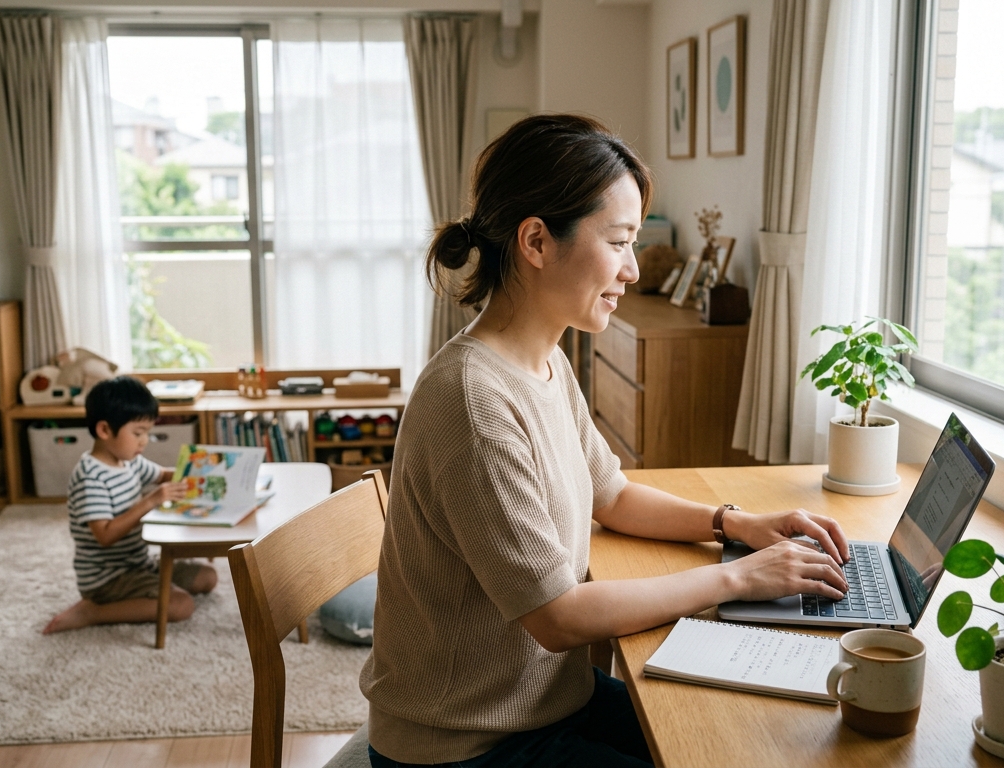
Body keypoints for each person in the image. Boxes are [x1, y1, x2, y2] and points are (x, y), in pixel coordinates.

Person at [360, 114, 851, 767]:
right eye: (620, 241)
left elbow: (611, 494)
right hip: (466, 742)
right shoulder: (472, 400)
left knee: (728, 737)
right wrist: (736, 578)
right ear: (536, 241)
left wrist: (737, 523)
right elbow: (558, 617)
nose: (633, 271)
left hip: (542, 699)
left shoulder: (541, 360)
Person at [43, 376, 217, 634]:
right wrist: (152, 500)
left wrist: (200, 471)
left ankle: (135, 593)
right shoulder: (92, 477)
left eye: (147, 432)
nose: (144, 440)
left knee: (207, 576)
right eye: (138, 433)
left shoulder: (129, 460)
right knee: (181, 605)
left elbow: (163, 475)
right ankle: (93, 612)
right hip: (107, 577)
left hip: (137, 562)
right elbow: (105, 535)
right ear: (104, 430)